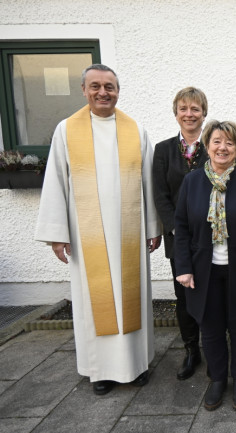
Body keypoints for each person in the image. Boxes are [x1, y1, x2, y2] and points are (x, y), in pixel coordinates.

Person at [34, 64, 162, 395]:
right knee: (96, 303)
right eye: (95, 86)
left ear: (118, 91)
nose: (103, 92)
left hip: (129, 236)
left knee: (131, 298)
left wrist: (152, 226)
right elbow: (56, 182)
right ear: (84, 90)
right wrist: (57, 234)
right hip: (85, 233)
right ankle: (100, 371)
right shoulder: (66, 130)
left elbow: (149, 183)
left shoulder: (135, 131)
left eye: (109, 86)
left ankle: (137, 365)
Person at [174, 120, 236, 412]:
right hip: (204, 269)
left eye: (229, 142)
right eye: (216, 142)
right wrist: (184, 266)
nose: (222, 148)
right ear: (207, 146)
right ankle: (217, 379)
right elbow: (181, 226)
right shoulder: (192, 182)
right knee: (211, 327)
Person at [152, 87, 208, 380]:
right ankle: (191, 350)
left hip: (213, 237)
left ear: (204, 114)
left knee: (211, 293)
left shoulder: (214, 145)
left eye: (195, 109)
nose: (189, 114)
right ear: (176, 113)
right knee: (184, 296)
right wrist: (175, 227)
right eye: (184, 109)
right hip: (178, 239)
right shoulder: (162, 150)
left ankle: (213, 347)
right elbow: (160, 194)